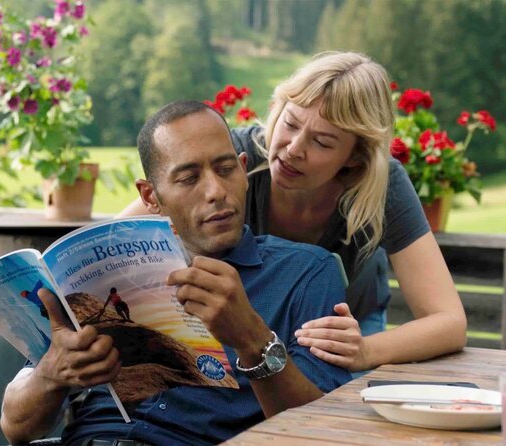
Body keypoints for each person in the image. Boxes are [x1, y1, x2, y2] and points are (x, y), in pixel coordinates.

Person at [0, 101, 352, 445]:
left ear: (244, 171)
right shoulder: (100, 276)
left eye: (226, 169)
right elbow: (14, 427)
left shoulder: (305, 272)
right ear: (150, 196)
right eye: (188, 178)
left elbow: (316, 429)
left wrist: (253, 340)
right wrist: (51, 374)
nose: (216, 192)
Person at [120, 51, 467, 373]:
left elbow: (448, 321)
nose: (293, 149)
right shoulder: (231, 162)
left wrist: (366, 351)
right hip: (251, 320)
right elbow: (116, 239)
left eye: (322, 142)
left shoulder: (383, 184)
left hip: (342, 328)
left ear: (355, 157)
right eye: (290, 123)